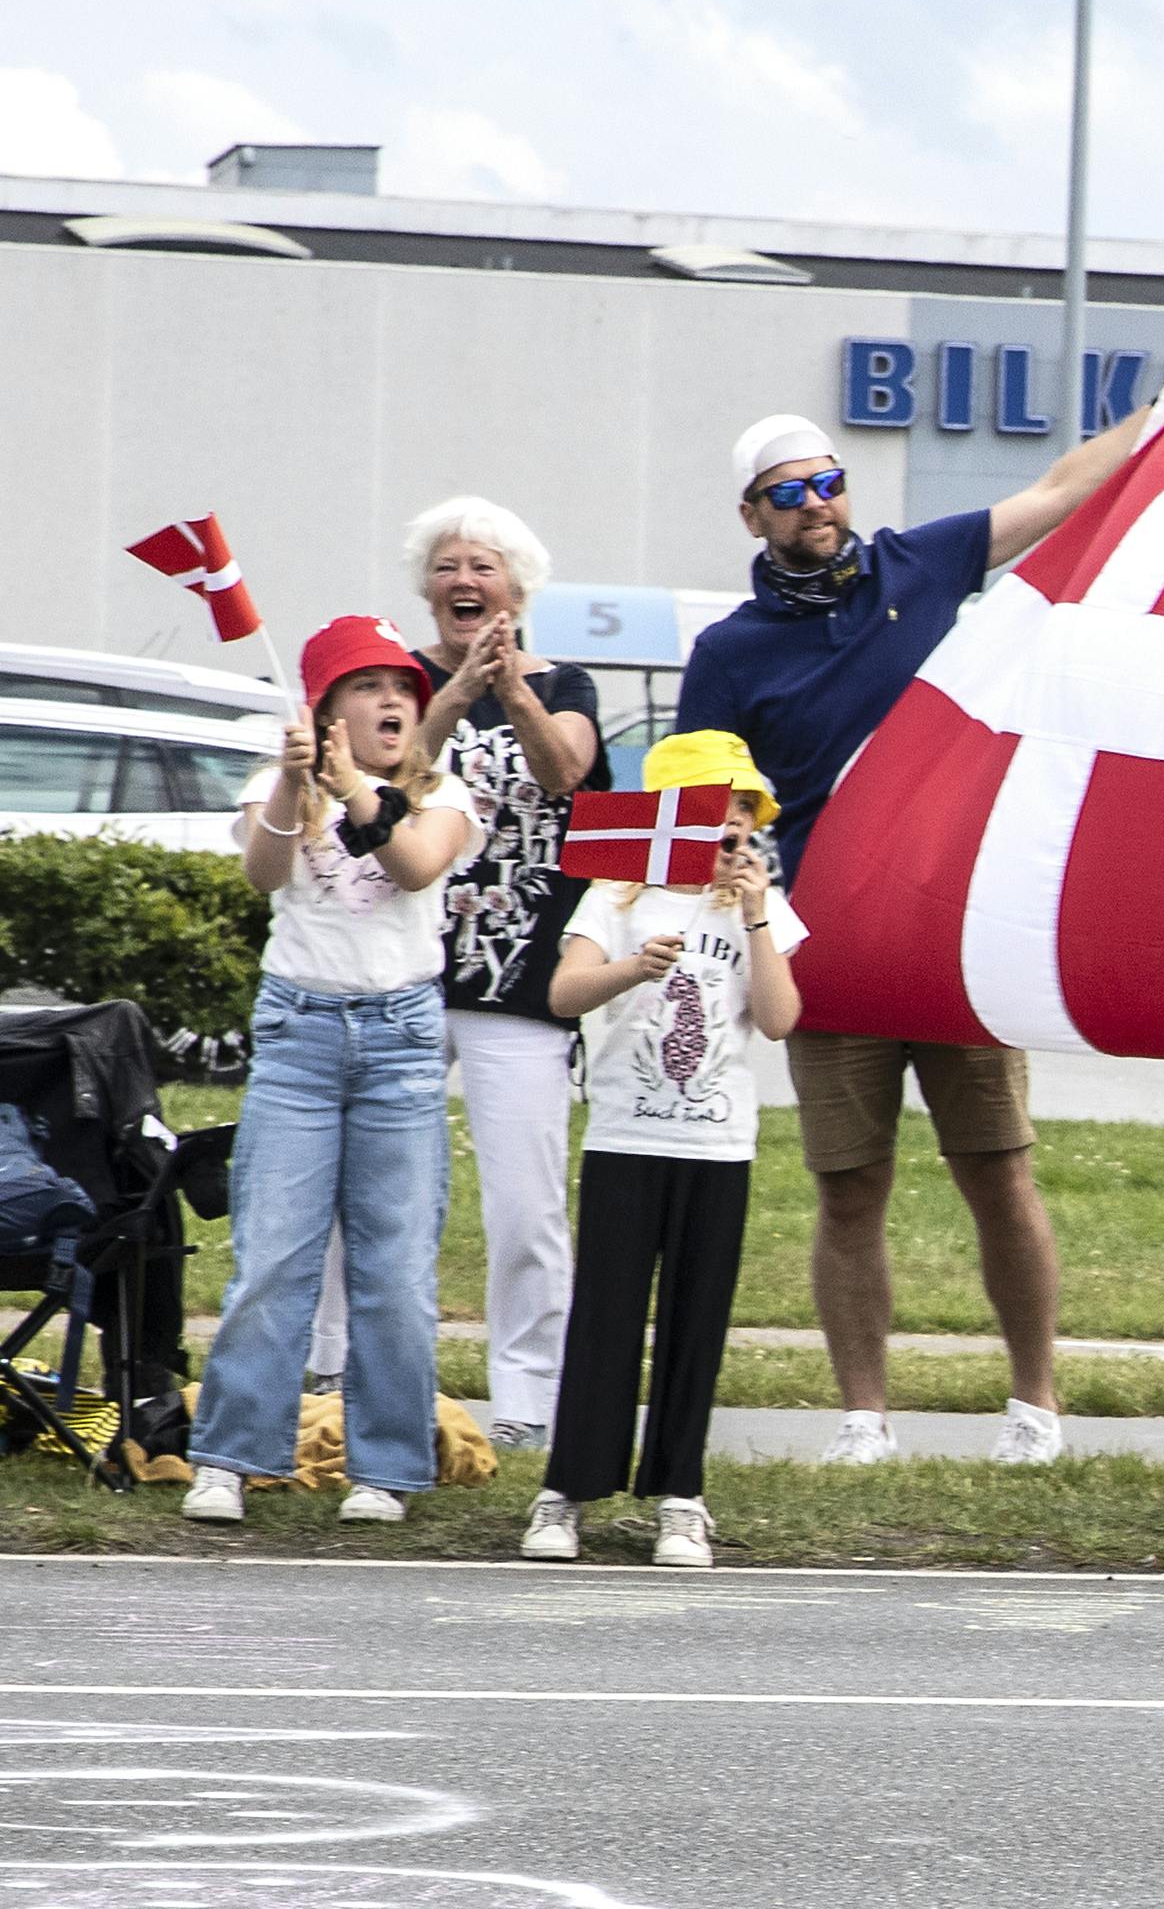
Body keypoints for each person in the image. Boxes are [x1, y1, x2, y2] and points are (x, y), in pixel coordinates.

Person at [672, 410, 1143, 1467]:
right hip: (821, 955)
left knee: (999, 1170)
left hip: (949, 940)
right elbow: (698, 809)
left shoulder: (920, 565)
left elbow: (1063, 490)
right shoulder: (728, 652)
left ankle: (1035, 1409)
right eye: (788, 494)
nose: (816, 505)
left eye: (827, 482)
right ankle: (864, 1419)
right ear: (753, 515)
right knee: (850, 1187)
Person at [184, 617, 491, 1528]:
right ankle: (231, 1459)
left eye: (403, 687)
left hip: (399, 1044)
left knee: (393, 1268)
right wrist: (291, 778)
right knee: (273, 1255)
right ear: (325, 708)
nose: (393, 700)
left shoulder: (448, 795)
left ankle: (385, 1469)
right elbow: (262, 871)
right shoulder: (275, 782)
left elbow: (412, 863)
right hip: (299, 1036)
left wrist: (353, 783)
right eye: (367, 687)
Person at [524, 732, 802, 1570]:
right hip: (626, 1134)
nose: (734, 829)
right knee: (606, 1316)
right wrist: (632, 968)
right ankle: (567, 1490)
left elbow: (783, 1018)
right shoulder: (618, 896)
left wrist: (752, 913)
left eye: (745, 812)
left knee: (695, 1319)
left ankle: (681, 1496)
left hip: (717, 1146)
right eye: (718, 809)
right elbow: (564, 993)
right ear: (671, 818)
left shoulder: (760, 907)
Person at [366, 496, 608, 1454]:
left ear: (518, 586)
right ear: (427, 587)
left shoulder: (570, 685)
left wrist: (512, 692)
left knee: (525, 1201)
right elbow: (389, 783)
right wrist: (456, 691)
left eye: (484, 567)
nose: (465, 582)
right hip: (407, 972)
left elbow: (567, 778)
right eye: (448, 567)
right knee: (381, 1189)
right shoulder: (394, 681)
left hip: (524, 982)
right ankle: (351, 1377)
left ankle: (528, 1396)